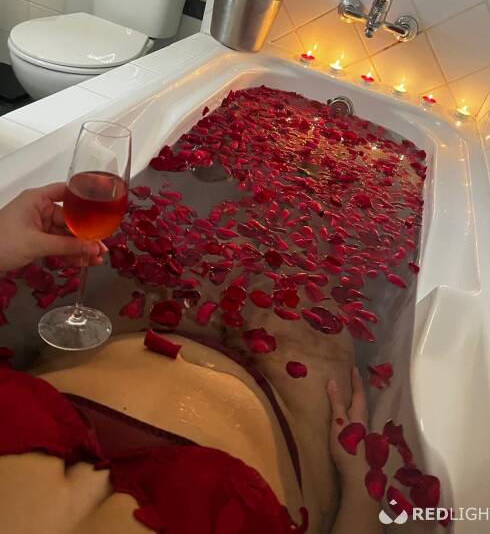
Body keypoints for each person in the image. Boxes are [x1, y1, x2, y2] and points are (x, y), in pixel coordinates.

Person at [0, 184, 382, 534]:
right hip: (286, 421)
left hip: (106, 340)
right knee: (304, 234)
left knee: (249, 223)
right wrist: (361, 488)